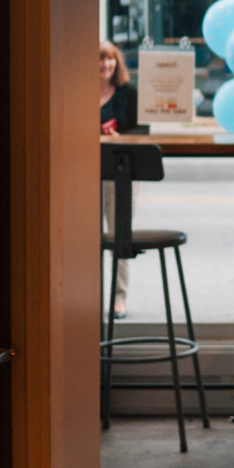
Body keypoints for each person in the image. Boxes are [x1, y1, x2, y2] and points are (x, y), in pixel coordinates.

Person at [100, 41, 146, 317]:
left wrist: (123, 138)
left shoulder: (128, 93)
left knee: (120, 233)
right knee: (81, 237)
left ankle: (119, 297)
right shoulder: (78, 91)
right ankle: (85, 295)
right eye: (100, 60)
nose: (105, 65)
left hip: (119, 171)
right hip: (82, 171)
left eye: (110, 60)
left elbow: (143, 130)